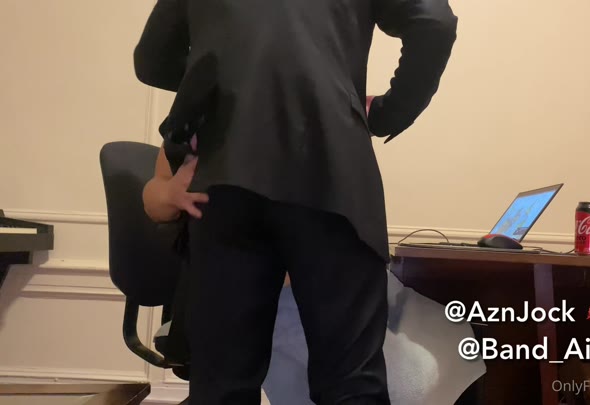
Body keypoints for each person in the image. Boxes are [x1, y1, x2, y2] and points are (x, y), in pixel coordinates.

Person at [134, 0, 458, 403]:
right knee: (351, 385)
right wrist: (388, 113)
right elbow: (434, 22)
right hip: (329, 170)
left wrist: (232, 74)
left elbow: (151, 61)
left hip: (225, 172)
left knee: (220, 386)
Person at [142, 145, 487, 404]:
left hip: (338, 278)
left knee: (451, 337)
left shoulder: (314, 105)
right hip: (271, 294)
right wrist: (170, 193)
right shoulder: (196, 121)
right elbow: (155, 194)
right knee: (411, 382)